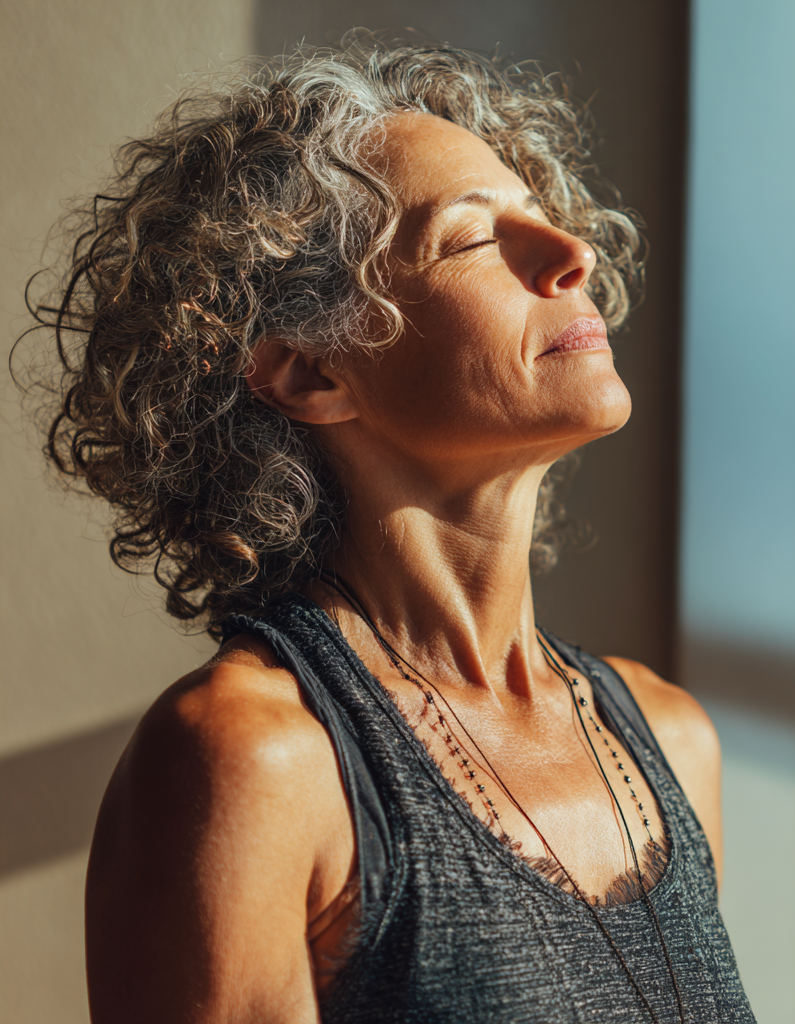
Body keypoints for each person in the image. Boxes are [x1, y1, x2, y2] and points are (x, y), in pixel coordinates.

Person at [31, 40, 754, 1024]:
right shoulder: (255, 764)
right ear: (312, 373)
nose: (571, 255)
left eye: (542, 218)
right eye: (470, 239)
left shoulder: (668, 740)